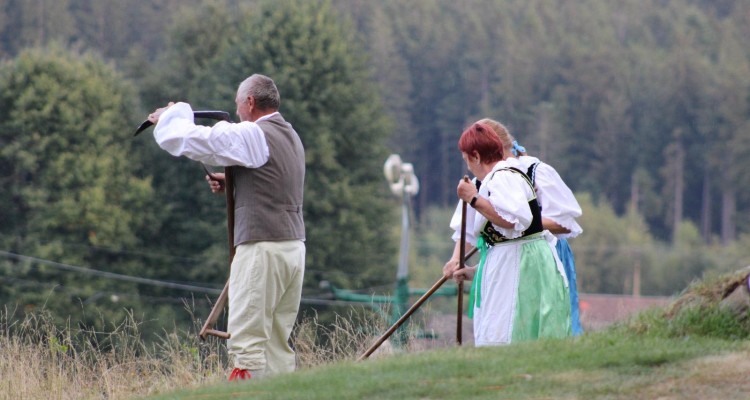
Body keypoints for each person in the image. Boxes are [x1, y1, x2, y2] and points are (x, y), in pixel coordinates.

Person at [147, 74, 306, 381]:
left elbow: (200, 141)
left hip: (263, 249)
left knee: (246, 345)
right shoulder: (290, 135)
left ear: (249, 102)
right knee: (276, 347)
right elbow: (271, 182)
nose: (236, 113)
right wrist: (232, 182)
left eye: (238, 105)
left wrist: (172, 115)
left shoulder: (254, 134)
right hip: (292, 249)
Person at [443, 122, 570, 345]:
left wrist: (474, 199)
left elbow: (514, 221)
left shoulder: (503, 177)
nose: (468, 166)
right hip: (512, 262)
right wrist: (475, 271)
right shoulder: (495, 179)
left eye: (466, 159)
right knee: (497, 328)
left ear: (476, 156)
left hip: (522, 266)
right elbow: (505, 239)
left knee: (506, 330)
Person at [478, 118, 585, 336]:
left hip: (546, 253)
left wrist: (520, 223)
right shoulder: (487, 177)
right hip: (509, 257)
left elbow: (564, 222)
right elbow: (471, 220)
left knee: (550, 323)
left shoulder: (534, 171)